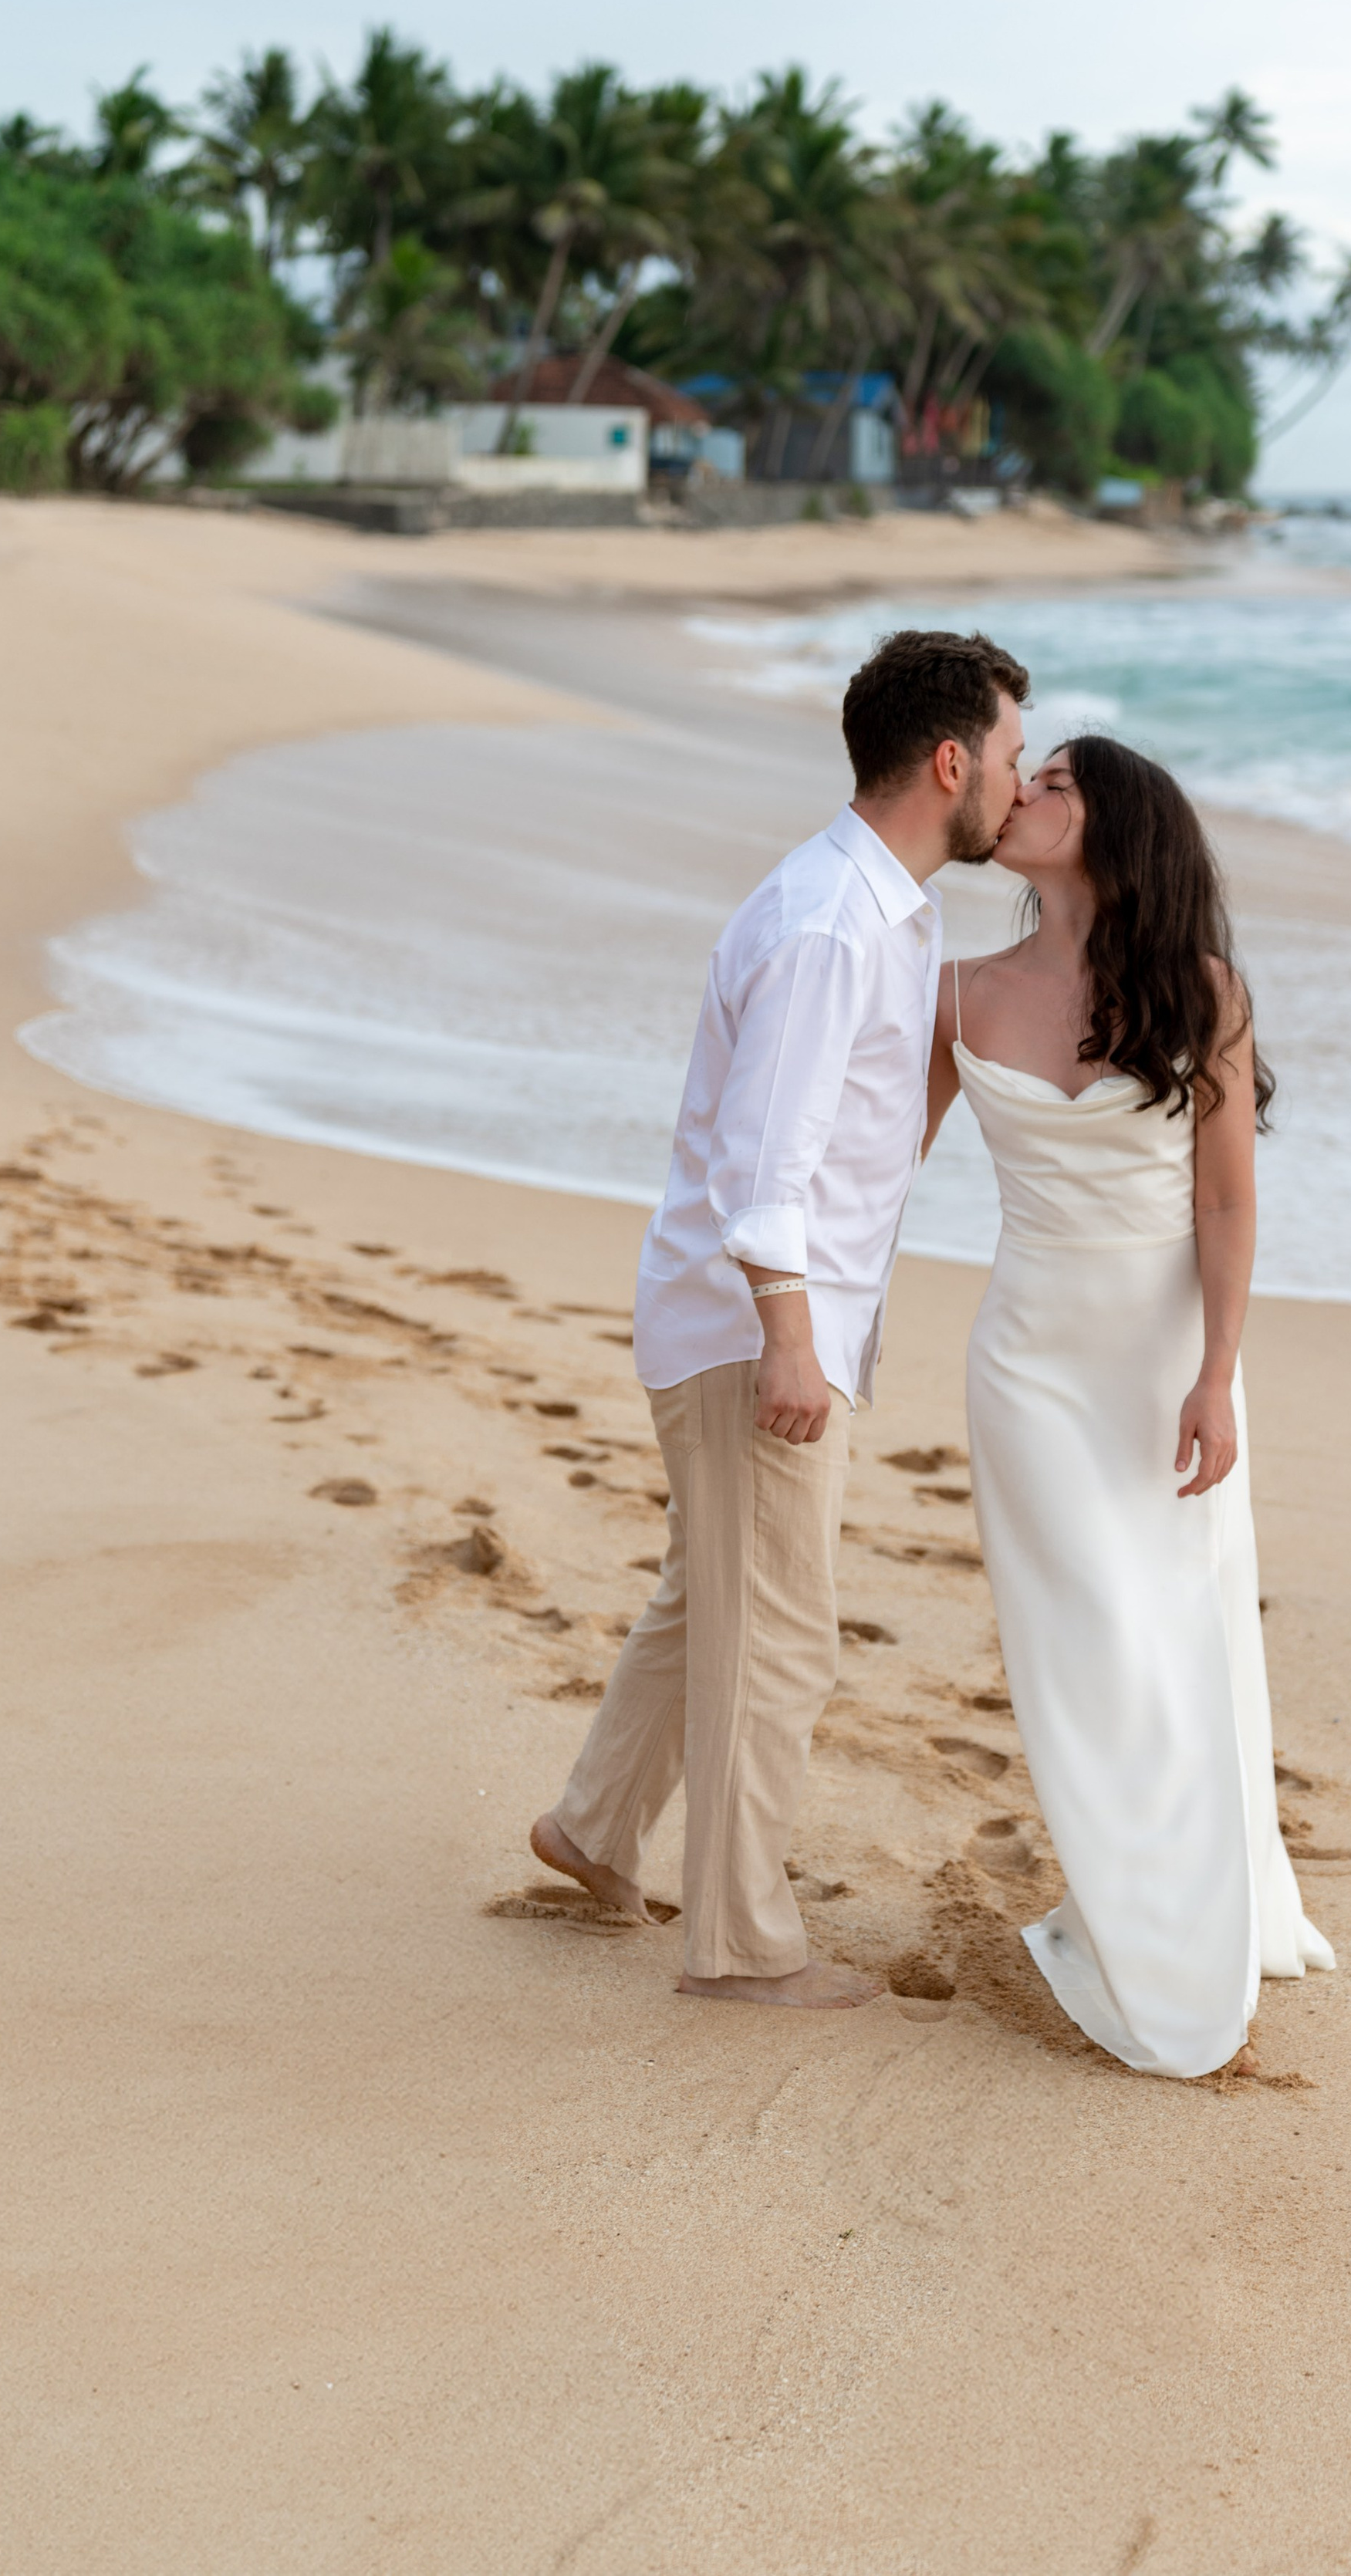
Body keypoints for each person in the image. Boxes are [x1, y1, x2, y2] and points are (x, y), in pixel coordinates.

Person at [532, 630, 1030, 2008]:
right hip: (755, 1328)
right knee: (783, 1632)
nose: (1019, 777)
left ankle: (591, 1826)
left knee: (711, 1599)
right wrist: (794, 1343)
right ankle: (742, 1947)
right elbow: (762, 1169)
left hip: (741, 1317)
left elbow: (856, 1135)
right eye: (1006, 754)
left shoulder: (879, 907)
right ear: (948, 761)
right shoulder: (831, 925)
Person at [924, 734, 1334, 2078]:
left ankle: (1196, 1906)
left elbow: (1225, 1197)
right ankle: (1144, 1934)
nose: (1022, 794)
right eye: (1020, 775)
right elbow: (873, 1163)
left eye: (1052, 784)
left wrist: (1218, 1373)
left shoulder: (1202, 992)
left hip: (1165, 1372)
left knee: (1178, 1637)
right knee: (1089, 1650)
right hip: (1031, 1368)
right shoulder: (958, 991)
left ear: (1116, 827)